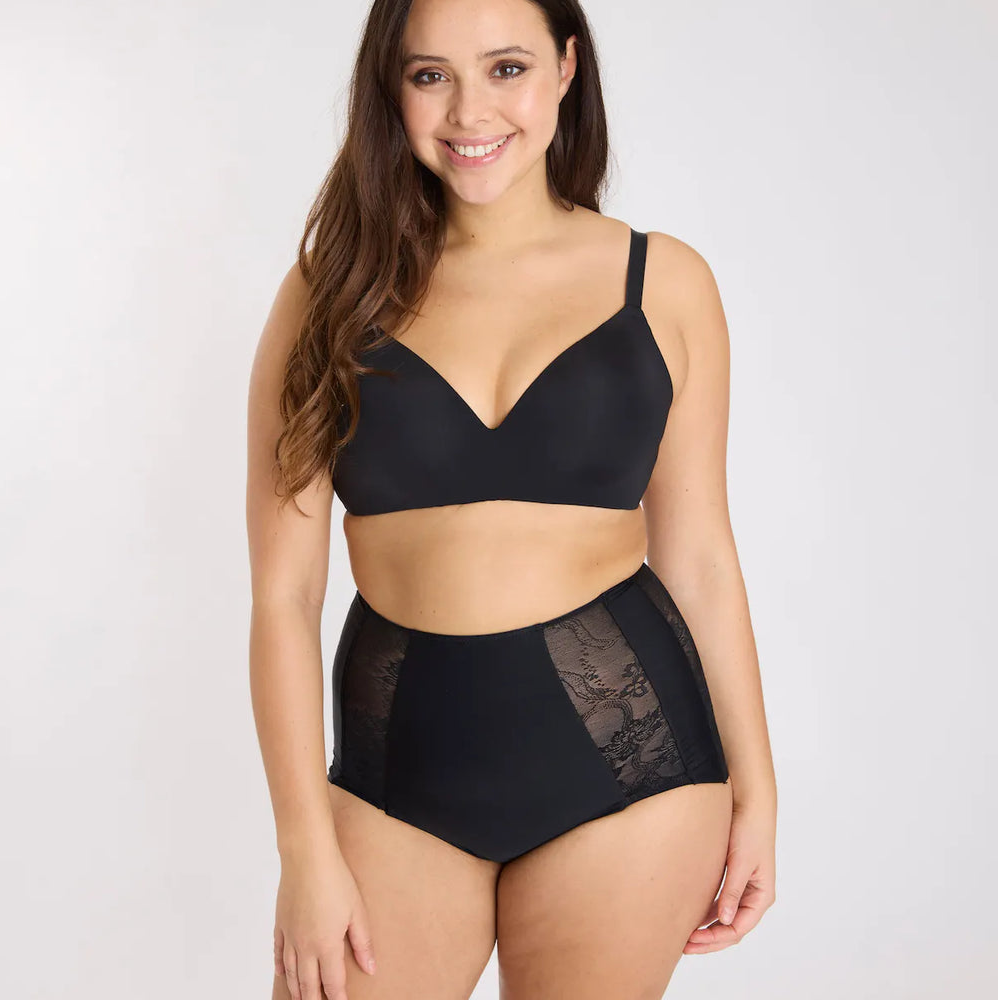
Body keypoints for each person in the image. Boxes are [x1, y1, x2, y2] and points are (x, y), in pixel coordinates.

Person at [246, 0, 777, 997]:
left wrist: (758, 790)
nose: (468, 111)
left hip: (630, 767)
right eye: (429, 75)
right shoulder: (328, 295)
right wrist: (304, 848)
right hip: (399, 772)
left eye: (506, 68)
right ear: (390, 87)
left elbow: (701, 559)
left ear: (567, 67)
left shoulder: (662, 284)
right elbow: (283, 595)